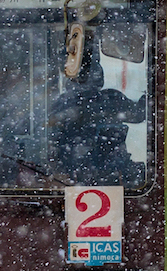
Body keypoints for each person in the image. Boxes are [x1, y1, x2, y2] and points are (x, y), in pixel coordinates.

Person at [48, 35, 146, 186]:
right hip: (108, 171)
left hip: (73, 175)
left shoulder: (61, 103)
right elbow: (138, 115)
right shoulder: (110, 98)